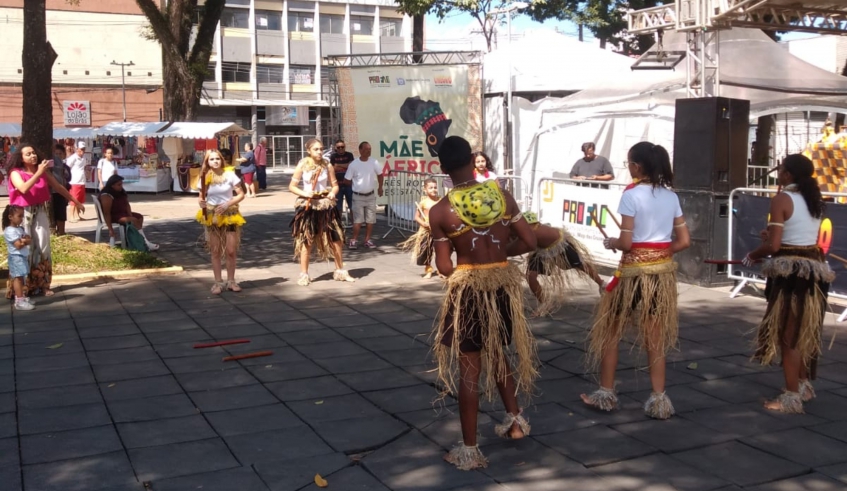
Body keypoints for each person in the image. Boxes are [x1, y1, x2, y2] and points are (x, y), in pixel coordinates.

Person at [428, 136, 538, 470]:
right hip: (502, 286)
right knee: (498, 353)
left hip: (470, 292)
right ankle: (515, 421)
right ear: (473, 159)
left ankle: (470, 450)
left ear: (443, 168)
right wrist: (500, 254)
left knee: (470, 368)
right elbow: (530, 240)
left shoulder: (441, 211)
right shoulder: (502, 196)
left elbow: (445, 268)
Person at [580, 142, 690, 420]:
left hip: (632, 277)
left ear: (637, 167)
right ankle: (659, 399)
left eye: (629, 163)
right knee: (655, 336)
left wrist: (612, 241)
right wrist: (658, 252)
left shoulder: (631, 196)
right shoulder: (671, 197)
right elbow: (684, 242)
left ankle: (606, 394)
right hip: (661, 275)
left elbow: (627, 242)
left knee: (611, 333)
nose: (627, 168)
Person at [743, 154, 834, 414]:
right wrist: (771, 236)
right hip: (812, 271)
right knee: (804, 331)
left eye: (781, 169)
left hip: (793, 275)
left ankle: (792, 397)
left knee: (789, 335)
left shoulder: (782, 198)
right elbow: (798, 235)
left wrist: (753, 255)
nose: (779, 173)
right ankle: (803, 384)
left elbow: (773, 246)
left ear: (788, 175)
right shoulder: (813, 199)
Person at [5, 144, 86, 298]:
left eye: (34, 153)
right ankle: (22, 287)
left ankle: (42, 284)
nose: (33, 156)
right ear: (21, 158)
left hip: (40, 210)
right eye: (28, 154)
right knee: (25, 248)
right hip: (23, 213)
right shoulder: (15, 173)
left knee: (43, 246)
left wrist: (75, 201)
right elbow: (23, 189)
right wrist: (39, 173)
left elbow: (58, 187)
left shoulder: (41, 171)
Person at [289, 138, 355, 286]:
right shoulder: (302, 164)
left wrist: (333, 193)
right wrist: (306, 194)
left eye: (321, 149)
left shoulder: (327, 165)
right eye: (316, 149)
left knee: (336, 239)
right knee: (307, 240)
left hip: (326, 205)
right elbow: (292, 186)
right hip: (309, 206)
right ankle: (304, 274)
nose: (319, 152)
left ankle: (340, 271)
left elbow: (335, 185)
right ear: (308, 151)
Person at [521, 212, 603, 317]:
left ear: (534, 224)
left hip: (560, 245)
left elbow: (523, 246)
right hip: (540, 250)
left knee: (580, 266)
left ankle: (602, 284)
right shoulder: (524, 231)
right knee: (530, 275)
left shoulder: (538, 232)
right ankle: (545, 303)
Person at [197, 149, 246, 295]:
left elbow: (241, 194)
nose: (215, 161)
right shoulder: (205, 177)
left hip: (230, 215)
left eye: (217, 158)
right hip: (213, 216)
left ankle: (231, 281)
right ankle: (218, 282)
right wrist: (201, 203)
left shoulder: (230, 175)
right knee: (215, 250)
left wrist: (228, 204)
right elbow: (201, 196)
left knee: (231, 250)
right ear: (207, 162)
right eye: (211, 159)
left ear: (222, 160)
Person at [99, 175, 159, 251]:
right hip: (113, 215)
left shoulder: (120, 192)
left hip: (122, 212)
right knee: (134, 220)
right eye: (119, 185)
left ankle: (135, 239)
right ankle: (145, 242)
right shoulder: (106, 195)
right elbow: (106, 213)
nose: (121, 186)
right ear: (112, 185)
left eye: (121, 184)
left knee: (139, 217)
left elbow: (127, 204)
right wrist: (110, 229)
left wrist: (129, 214)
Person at [344, 142, 384, 249]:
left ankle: (367, 240)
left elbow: (380, 175)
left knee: (370, 220)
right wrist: (356, 185)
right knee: (358, 220)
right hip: (358, 196)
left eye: (370, 149)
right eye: (366, 149)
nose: (368, 151)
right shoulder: (354, 164)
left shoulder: (374, 162)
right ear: (360, 150)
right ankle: (354, 240)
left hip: (370, 195)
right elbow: (346, 180)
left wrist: (380, 187)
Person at [399, 177, 440, 279]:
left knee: (440, 250)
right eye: (430, 188)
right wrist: (424, 223)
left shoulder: (440, 201)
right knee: (427, 250)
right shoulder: (423, 202)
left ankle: (441, 269)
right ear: (425, 190)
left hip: (439, 229)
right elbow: (416, 217)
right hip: (426, 230)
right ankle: (428, 269)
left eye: (435, 187)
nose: (433, 189)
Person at [3, 205, 34, 311]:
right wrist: (25, 241)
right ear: (10, 217)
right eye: (19, 216)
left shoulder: (20, 229)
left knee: (22, 278)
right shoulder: (9, 231)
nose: (21, 219)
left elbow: (28, 238)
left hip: (22, 256)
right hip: (16, 257)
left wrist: (24, 240)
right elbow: (18, 245)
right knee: (18, 278)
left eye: (22, 216)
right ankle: (19, 300)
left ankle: (22, 297)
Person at [329, 139, 355, 221]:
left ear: (345, 147)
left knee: (352, 205)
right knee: (338, 206)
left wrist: (338, 165)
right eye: (338, 147)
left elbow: (351, 166)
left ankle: (355, 223)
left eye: (342, 147)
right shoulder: (333, 156)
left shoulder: (349, 155)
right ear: (336, 148)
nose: (340, 149)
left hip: (349, 184)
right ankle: (339, 223)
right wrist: (345, 166)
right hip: (338, 185)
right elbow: (333, 168)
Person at [50, 143, 71, 236]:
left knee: (61, 216)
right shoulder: (50, 164)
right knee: (54, 215)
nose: (58, 155)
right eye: (56, 153)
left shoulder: (65, 167)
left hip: (62, 193)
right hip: (53, 193)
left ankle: (61, 233)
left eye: (60, 153)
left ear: (63, 155)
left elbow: (68, 178)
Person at [66, 141, 88, 222]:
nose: (82, 151)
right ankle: (71, 216)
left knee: (80, 200)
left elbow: (84, 167)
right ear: (77, 149)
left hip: (82, 181)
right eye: (80, 149)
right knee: (74, 199)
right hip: (74, 181)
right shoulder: (73, 158)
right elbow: (67, 168)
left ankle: (77, 215)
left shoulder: (84, 158)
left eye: (83, 149)